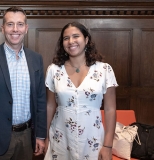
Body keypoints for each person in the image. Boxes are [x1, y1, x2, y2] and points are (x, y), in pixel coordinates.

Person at [0, 6, 47, 160]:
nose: (15, 29)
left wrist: (40, 135)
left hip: (27, 137)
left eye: (20, 24)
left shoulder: (36, 59)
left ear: (26, 28)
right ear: (2, 28)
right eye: (10, 24)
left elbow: (40, 100)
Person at [44, 22, 118, 160]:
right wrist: (46, 137)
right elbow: (50, 105)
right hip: (60, 137)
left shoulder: (104, 70)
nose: (71, 41)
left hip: (92, 139)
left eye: (76, 36)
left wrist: (108, 146)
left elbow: (110, 109)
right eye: (66, 38)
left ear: (86, 39)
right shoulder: (54, 70)